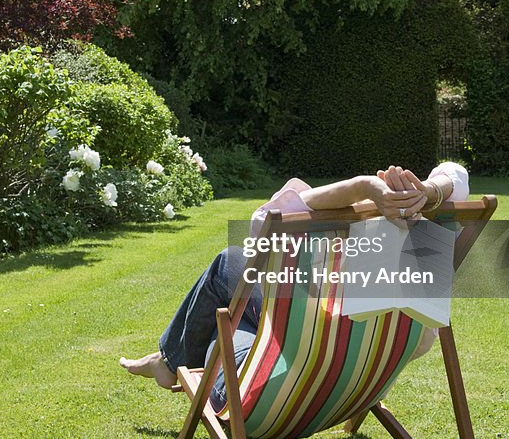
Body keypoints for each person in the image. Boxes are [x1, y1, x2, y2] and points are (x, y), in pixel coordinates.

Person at [120, 162, 469, 405]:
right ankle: (166, 362)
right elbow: (458, 175)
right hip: (351, 392)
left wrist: (364, 186)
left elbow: (265, 222)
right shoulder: (400, 319)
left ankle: (167, 363)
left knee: (225, 283)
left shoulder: (311, 286)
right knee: (237, 310)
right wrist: (427, 190)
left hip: (255, 391)